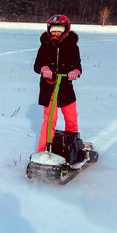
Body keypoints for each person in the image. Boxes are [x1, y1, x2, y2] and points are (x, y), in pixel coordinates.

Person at [34, 15, 81, 152]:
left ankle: (72, 148)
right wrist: (44, 69)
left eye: (59, 30)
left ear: (65, 30)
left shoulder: (73, 47)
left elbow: (78, 66)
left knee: (71, 117)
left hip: (65, 87)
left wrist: (75, 71)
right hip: (49, 88)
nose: (56, 33)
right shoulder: (45, 46)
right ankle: (43, 151)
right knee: (49, 120)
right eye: (53, 30)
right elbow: (37, 66)